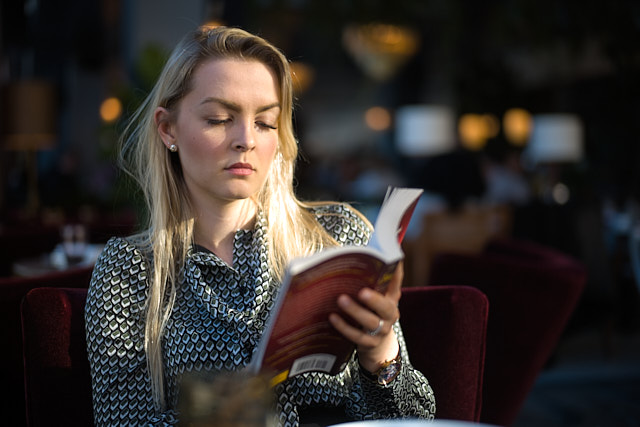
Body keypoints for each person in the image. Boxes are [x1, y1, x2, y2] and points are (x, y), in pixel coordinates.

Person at [84, 25, 436, 426]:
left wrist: (381, 356)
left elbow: (413, 419)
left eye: (266, 122)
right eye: (219, 118)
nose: (246, 140)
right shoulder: (130, 270)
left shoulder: (337, 238)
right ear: (168, 129)